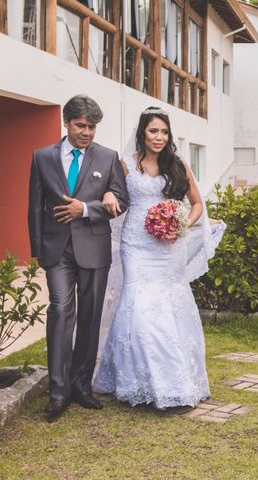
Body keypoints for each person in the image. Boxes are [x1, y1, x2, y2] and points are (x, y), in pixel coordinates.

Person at [93, 107, 219, 412]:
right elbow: (112, 195)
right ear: (142, 133)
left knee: (169, 308)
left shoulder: (177, 166)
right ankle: (136, 380)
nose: (159, 137)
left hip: (168, 247)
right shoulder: (125, 165)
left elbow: (198, 204)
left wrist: (183, 223)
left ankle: (173, 383)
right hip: (136, 245)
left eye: (164, 131)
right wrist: (108, 195)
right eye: (153, 131)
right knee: (138, 309)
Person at [27, 95, 129, 422]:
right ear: (66, 123)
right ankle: (58, 392)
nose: (87, 132)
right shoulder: (42, 157)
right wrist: (38, 251)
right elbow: (34, 207)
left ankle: (82, 386)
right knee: (60, 311)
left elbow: (122, 200)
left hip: (94, 248)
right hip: (57, 250)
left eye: (92, 127)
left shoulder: (108, 157)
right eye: (81, 125)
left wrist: (85, 208)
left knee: (90, 315)